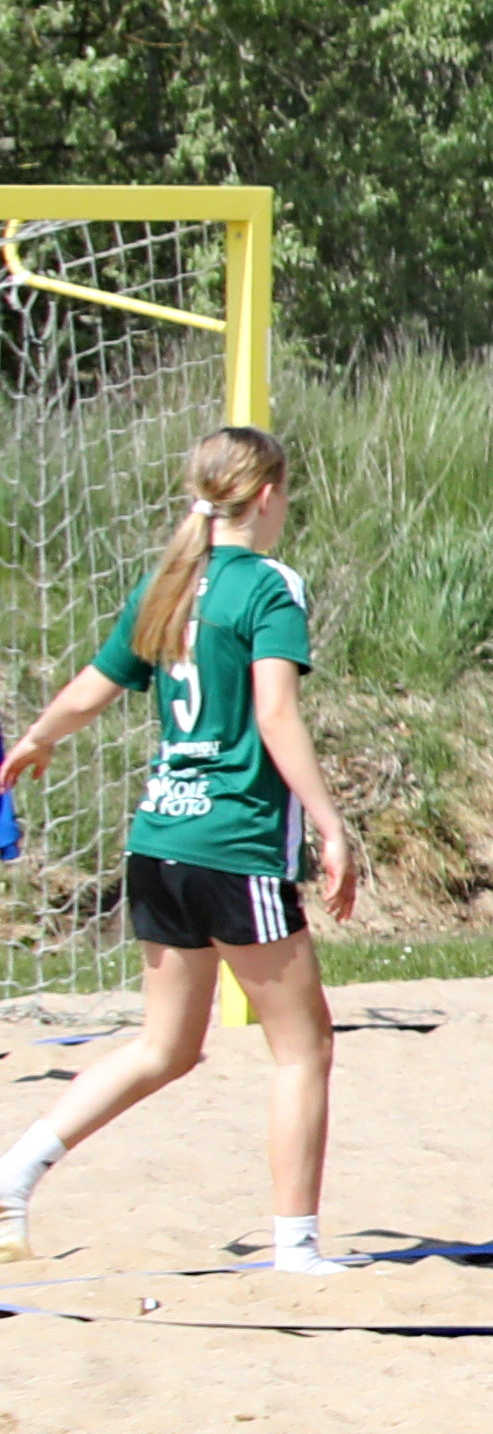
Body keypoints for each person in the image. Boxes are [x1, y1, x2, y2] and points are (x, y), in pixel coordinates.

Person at [0, 424, 358, 1269]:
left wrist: (37, 738)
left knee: (165, 1046)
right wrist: (330, 822)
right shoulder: (268, 586)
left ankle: (13, 1175)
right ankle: (296, 1250)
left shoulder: (170, 583)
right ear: (265, 496)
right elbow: (275, 715)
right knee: (305, 1047)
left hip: (157, 838)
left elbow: (95, 684)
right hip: (231, 841)